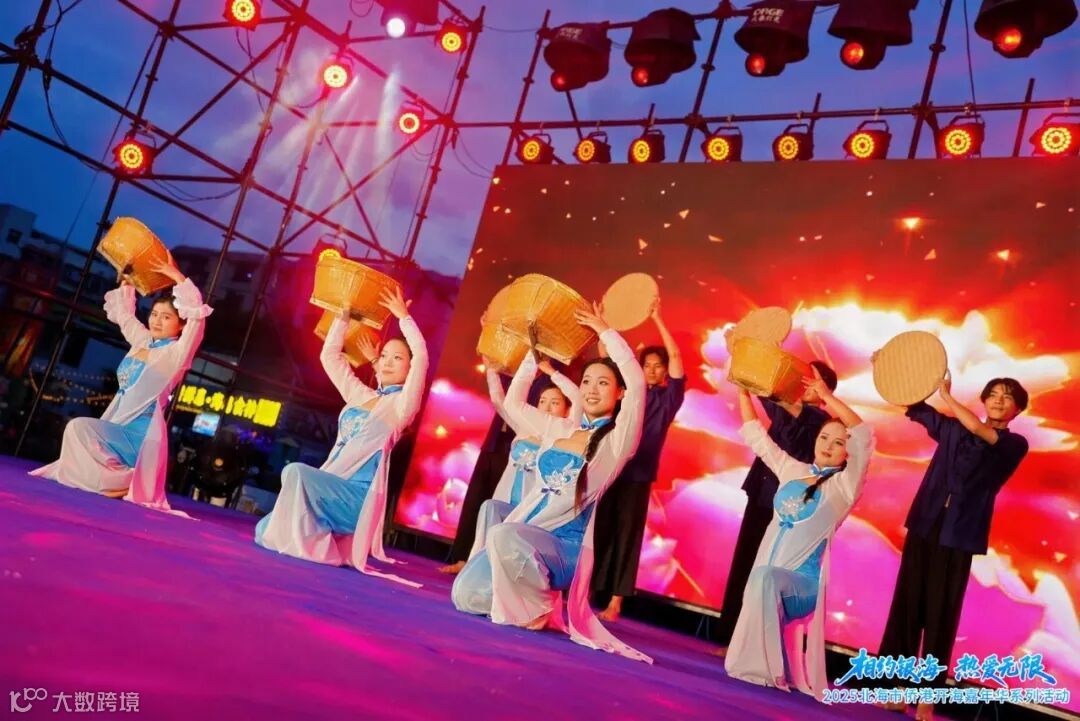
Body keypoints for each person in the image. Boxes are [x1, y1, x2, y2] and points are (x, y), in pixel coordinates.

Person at [451, 304, 651, 662]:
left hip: (564, 550)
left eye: (603, 383)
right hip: (524, 537)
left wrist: (605, 331)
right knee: (464, 595)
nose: (591, 389)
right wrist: (534, 352)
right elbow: (513, 402)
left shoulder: (616, 442)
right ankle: (530, 602)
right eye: (587, 381)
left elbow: (637, 383)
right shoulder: (560, 429)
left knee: (503, 534)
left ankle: (541, 606)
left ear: (619, 393)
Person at [877, 374, 1029, 721]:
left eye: (1007, 397)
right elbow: (913, 404)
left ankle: (927, 698)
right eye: (993, 394)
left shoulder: (1014, 444)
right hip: (925, 525)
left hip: (959, 535)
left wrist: (946, 395)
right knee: (907, 607)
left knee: (940, 615)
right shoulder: (953, 429)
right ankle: (896, 688)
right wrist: (893, 367)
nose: (998, 401)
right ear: (983, 400)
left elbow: (980, 430)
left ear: (1018, 409)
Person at [255, 288, 428, 586]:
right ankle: (325, 540)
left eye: (398, 358)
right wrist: (343, 317)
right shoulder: (361, 395)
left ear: (410, 368)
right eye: (384, 356)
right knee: (265, 530)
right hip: (329, 485)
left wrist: (404, 318)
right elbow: (330, 357)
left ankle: (325, 546)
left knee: (294, 473)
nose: (387, 362)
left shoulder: (401, 408)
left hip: (358, 499)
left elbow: (422, 356)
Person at [725, 368, 874, 698]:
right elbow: (757, 437)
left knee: (764, 577)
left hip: (801, 587)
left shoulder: (844, 487)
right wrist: (742, 391)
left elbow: (864, 434)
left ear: (847, 454)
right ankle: (759, 665)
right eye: (824, 438)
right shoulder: (794, 469)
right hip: (766, 579)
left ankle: (770, 671)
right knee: (760, 576)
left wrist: (828, 397)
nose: (829, 445)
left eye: (839, 442)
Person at [31, 257, 212, 514]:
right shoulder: (142, 341)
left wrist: (177, 277)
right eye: (154, 314)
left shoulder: (177, 353)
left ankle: (125, 480)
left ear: (181, 324)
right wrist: (128, 282)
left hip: (141, 436)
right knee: (76, 431)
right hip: (117, 426)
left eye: (166, 317)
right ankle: (115, 482)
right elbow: (124, 315)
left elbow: (197, 318)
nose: (157, 321)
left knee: (80, 428)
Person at [713, 359, 838, 650]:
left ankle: (754, 641)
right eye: (803, 379)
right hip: (760, 492)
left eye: (812, 381)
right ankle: (728, 635)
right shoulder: (787, 407)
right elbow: (766, 399)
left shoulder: (821, 422)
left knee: (765, 572)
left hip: (786, 507)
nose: (804, 384)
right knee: (743, 565)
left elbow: (779, 402)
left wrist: (762, 386)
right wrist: (744, 372)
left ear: (825, 391)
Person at [439, 356, 580, 574]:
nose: (547, 407)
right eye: (543, 401)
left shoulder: (565, 435)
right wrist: (491, 370)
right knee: (489, 510)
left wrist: (553, 373)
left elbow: (578, 399)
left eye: (555, 402)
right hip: (506, 499)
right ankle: (475, 568)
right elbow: (499, 400)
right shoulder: (523, 427)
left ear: (566, 409)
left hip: (531, 508)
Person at [591, 298, 685, 622]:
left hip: (639, 474)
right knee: (597, 529)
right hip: (611, 467)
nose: (653, 370)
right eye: (648, 365)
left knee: (627, 537)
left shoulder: (669, 398)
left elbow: (676, 357)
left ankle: (615, 602)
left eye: (658, 366)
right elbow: (607, 359)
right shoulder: (629, 393)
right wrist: (601, 325)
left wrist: (658, 318)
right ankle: (583, 591)